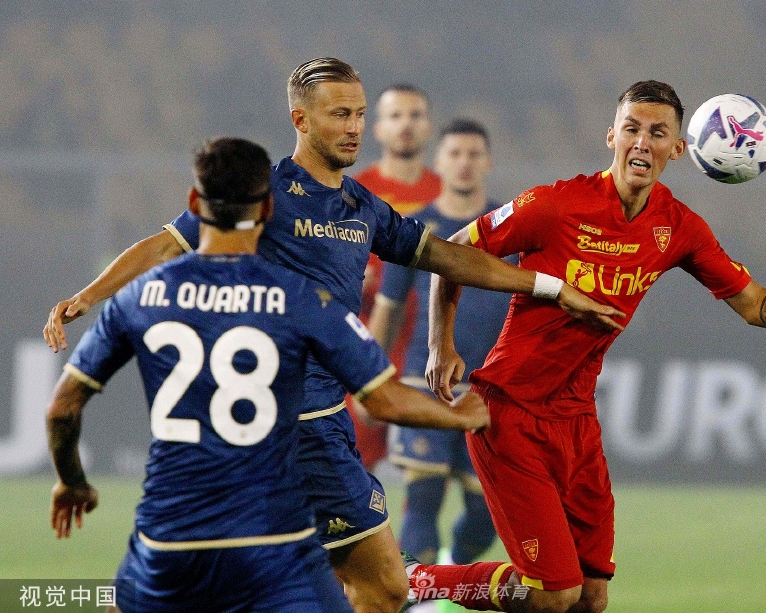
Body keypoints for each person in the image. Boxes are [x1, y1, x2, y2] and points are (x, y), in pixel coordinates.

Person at [42, 58, 623, 613]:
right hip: (295, 426)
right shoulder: (263, 195)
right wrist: (88, 295)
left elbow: (447, 257)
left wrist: (549, 286)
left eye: (359, 114)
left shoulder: (361, 207)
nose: (354, 128)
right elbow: (166, 244)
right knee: (373, 584)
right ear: (300, 119)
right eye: (339, 114)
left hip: (321, 418)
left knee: (345, 583)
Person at [407, 81, 766, 613]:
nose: (642, 142)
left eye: (658, 133)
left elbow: (750, 302)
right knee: (554, 594)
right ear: (612, 136)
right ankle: (415, 581)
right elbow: (451, 251)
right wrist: (440, 343)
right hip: (510, 412)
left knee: (591, 597)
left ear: (680, 148)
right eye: (632, 129)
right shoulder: (556, 204)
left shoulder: (678, 227)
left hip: (576, 422)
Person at [47, 137, 488, 612]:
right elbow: (384, 400)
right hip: (273, 535)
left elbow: (62, 410)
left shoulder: (141, 297)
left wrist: (72, 482)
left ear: (194, 202)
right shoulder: (298, 297)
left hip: (168, 532)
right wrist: (464, 414)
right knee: (382, 587)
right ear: (268, 208)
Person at [368, 120, 508, 608]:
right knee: (423, 496)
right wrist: (366, 379)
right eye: (455, 153)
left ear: (487, 162)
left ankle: (448, 566)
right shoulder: (413, 230)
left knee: (487, 513)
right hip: (422, 382)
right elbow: (387, 309)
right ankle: (421, 601)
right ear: (440, 162)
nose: (464, 162)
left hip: (489, 392)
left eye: (474, 153)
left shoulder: (508, 229)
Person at [350, 84, 441, 473]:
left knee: (424, 473)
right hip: (367, 338)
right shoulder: (353, 193)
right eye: (395, 115)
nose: (406, 124)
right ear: (378, 128)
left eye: (415, 115)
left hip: (426, 345)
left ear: (428, 126)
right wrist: (351, 278)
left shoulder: (445, 194)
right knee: (354, 464)